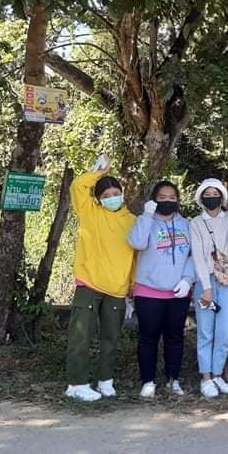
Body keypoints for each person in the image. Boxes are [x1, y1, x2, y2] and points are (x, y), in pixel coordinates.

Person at [64, 155, 136, 402]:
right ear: (98, 199)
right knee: (80, 336)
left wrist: (132, 289)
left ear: (122, 194)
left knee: (111, 338)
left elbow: (136, 257)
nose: (111, 198)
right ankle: (76, 384)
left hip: (118, 289)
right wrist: (98, 173)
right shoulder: (89, 212)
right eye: (105, 195)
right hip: (89, 284)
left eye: (115, 193)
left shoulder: (132, 221)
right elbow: (77, 187)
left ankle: (106, 380)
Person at [128, 181, 196, 398]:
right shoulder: (146, 221)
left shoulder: (186, 224)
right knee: (148, 337)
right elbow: (137, 243)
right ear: (154, 200)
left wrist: (187, 279)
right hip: (148, 290)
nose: (167, 201)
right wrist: (146, 216)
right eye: (162, 198)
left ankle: (173, 379)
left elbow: (194, 255)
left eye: (172, 198)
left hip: (178, 292)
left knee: (175, 337)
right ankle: (148, 381)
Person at [189, 178, 228, 398]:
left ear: (222, 197)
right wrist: (205, 288)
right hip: (206, 282)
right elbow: (198, 257)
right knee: (205, 331)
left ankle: (218, 374)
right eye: (207, 194)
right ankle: (205, 378)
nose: (211, 197)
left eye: (215, 194)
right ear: (201, 197)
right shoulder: (196, 222)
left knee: (224, 331)